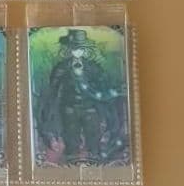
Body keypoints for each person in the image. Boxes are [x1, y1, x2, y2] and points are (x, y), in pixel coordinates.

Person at [37, 28, 124, 163]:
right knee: (71, 139)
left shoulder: (94, 68)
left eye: (80, 48)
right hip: (69, 109)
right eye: (74, 48)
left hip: (91, 109)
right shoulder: (62, 67)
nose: (77, 51)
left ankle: (96, 163)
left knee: (93, 139)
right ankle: (71, 165)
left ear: (85, 49)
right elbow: (53, 90)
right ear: (69, 49)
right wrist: (49, 110)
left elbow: (102, 86)